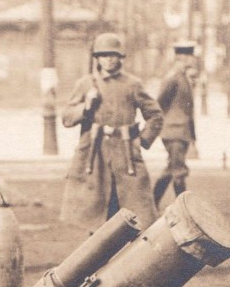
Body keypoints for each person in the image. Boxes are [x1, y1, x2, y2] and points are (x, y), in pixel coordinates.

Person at [58, 32, 163, 231]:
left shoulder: (132, 84)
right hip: (94, 153)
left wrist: (142, 140)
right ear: (97, 58)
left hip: (126, 154)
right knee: (96, 212)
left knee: (133, 211)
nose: (109, 60)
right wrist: (87, 105)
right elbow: (67, 118)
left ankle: (131, 259)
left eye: (113, 55)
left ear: (121, 58)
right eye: (104, 55)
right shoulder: (86, 84)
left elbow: (155, 115)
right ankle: (96, 257)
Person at [152, 40, 200, 209]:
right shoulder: (173, 78)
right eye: (189, 57)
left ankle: (152, 203)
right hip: (174, 131)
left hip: (181, 131)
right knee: (178, 170)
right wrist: (164, 123)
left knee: (171, 168)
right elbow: (159, 103)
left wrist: (193, 135)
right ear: (181, 57)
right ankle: (184, 209)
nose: (192, 60)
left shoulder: (183, 78)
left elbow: (189, 111)